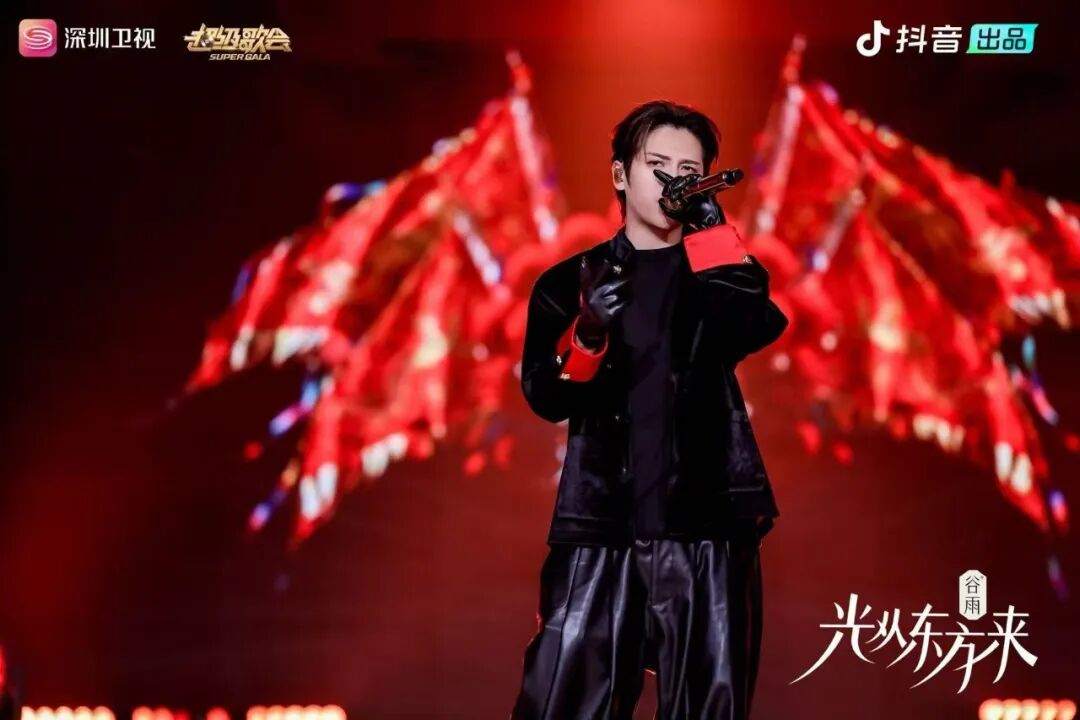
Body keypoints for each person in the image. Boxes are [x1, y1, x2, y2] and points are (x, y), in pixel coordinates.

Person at [510, 100, 789, 720]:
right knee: (561, 702)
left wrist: (713, 237)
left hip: (708, 528)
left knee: (709, 707)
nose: (673, 181)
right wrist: (587, 335)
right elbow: (546, 397)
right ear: (620, 174)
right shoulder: (568, 283)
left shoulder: (717, 272)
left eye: (688, 170)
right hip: (600, 529)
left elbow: (752, 324)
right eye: (657, 165)